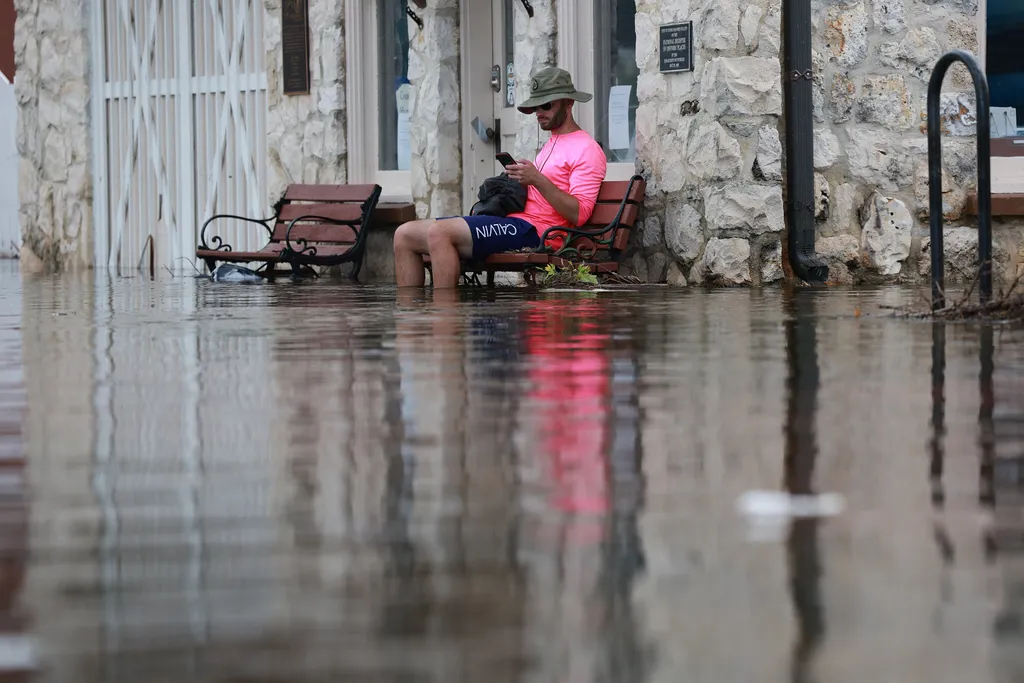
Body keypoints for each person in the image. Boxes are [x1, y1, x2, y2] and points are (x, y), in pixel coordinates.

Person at [392, 66, 608, 288]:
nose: (539, 113)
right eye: (535, 107)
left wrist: (537, 179)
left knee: (440, 233)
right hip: (513, 222)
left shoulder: (586, 148)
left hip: (539, 233)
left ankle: (447, 319)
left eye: (546, 105)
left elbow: (579, 213)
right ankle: (412, 319)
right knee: (404, 235)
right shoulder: (552, 143)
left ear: (569, 102)